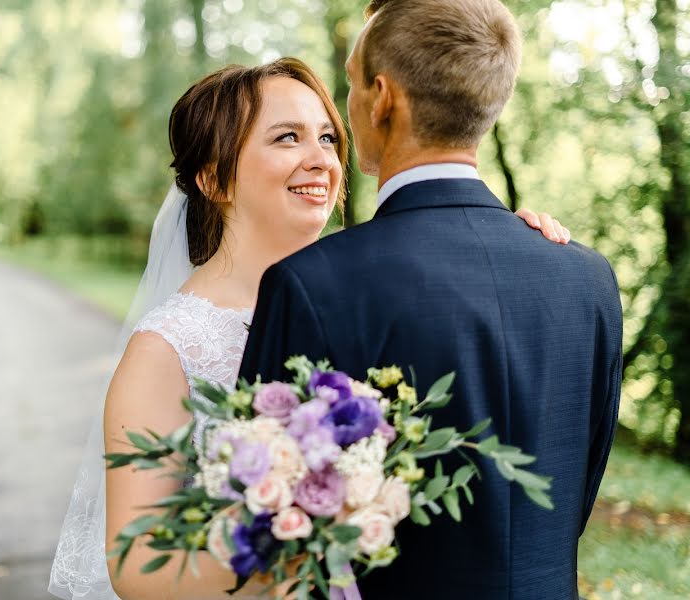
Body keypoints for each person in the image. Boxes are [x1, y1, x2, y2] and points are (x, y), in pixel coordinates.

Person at [49, 55, 569, 600]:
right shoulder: (167, 349)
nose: (320, 159)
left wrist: (515, 249)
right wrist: (297, 538)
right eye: (287, 138)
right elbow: (138, 568)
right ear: (213, 178)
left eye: (326, 137)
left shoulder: (367, 295)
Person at [238, 1, 623, 599]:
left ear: (383, 97)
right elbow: (573, 499)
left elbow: (267, 529)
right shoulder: (589, 278)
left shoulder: (311, 284)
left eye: (350, 84)